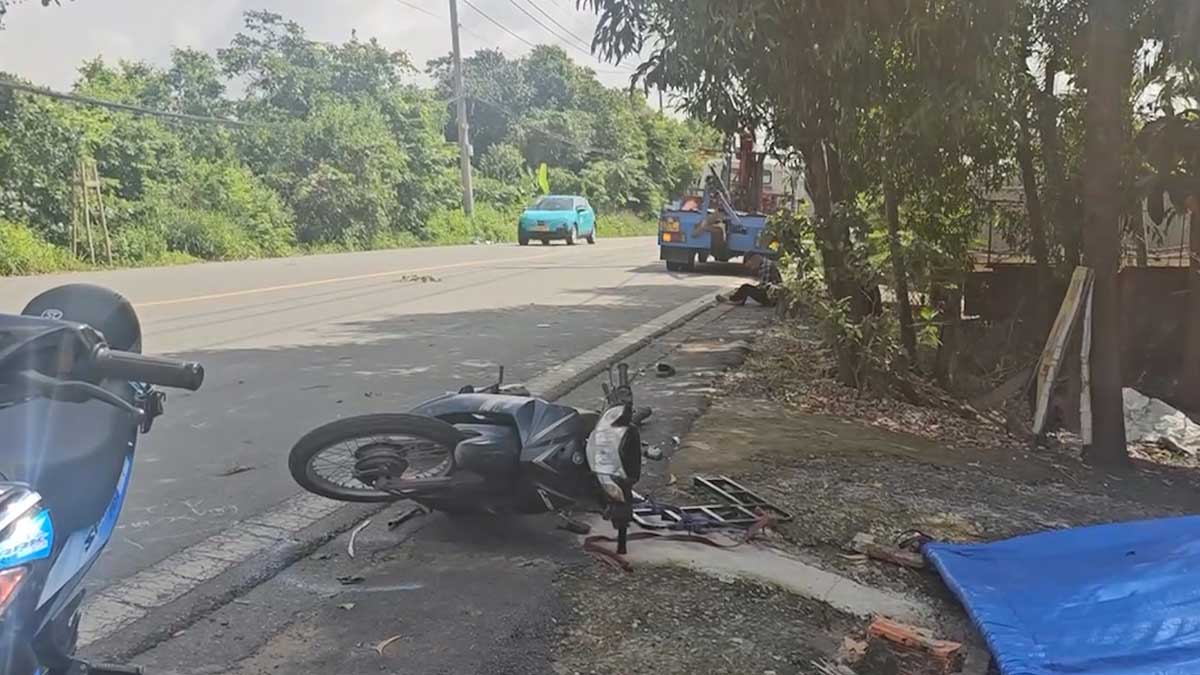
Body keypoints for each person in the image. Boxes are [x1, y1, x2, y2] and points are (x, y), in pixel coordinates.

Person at [717, 254, 781, 306]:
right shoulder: (766, 263)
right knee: (746, 288)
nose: (752, 269)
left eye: (751, 266)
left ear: (754, 259)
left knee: (746, 288)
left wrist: (750, 290)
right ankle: (736, 298)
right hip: (772, 294)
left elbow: (763, 286)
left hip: (771, 298)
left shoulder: (765, 266)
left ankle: (735, 300)